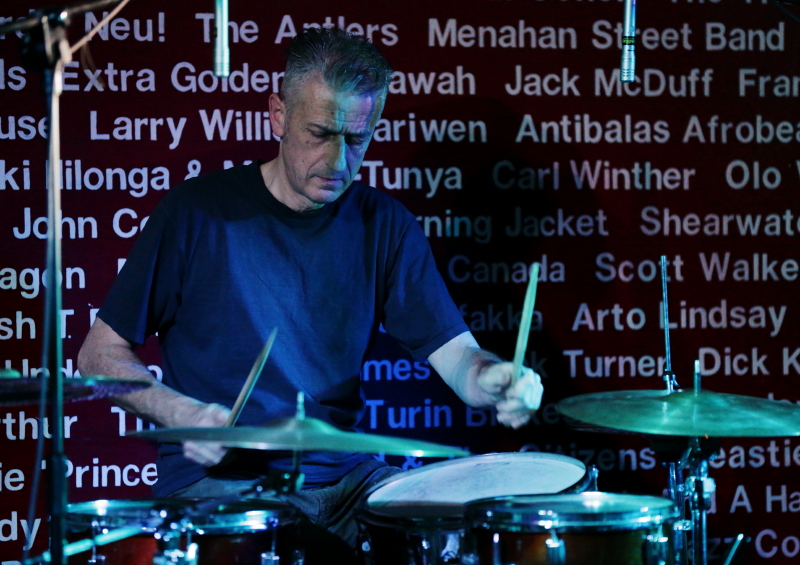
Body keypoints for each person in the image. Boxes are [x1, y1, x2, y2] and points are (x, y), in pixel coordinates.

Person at [78, 27, 543, 555]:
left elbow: (458, 358)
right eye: (320, 133)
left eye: (357, 139)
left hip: (346, 481)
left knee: (449, 528)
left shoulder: (385, 225)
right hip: (225, 484)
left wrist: (494, 379)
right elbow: (98, 355)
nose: (338, 161)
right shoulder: (196, 213)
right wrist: (182, 415)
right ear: (278, 115)